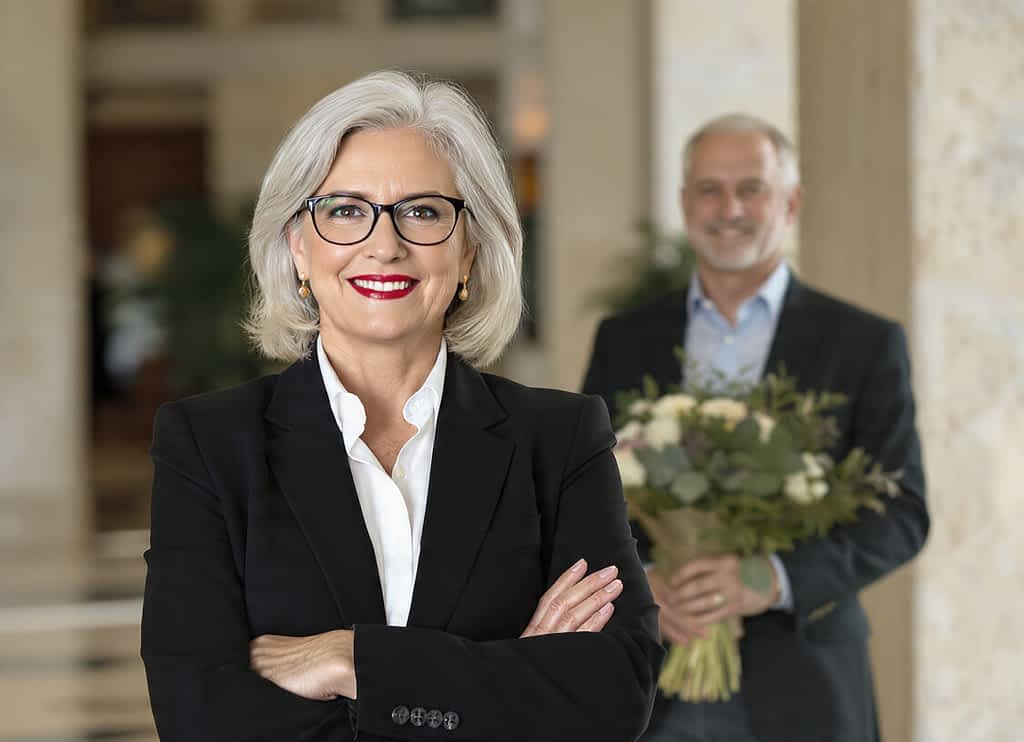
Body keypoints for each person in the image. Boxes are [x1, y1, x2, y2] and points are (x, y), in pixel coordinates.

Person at [141, 70, 663, 742]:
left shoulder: (560, 439)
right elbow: (198, 715)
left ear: (470, 249)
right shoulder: (209, 445)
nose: (384, 245)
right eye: (345, 211)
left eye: (422, 211)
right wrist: (508, 676)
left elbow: (613, 694)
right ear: (298, 246)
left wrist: (353, 661)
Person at [582, 113, 929, 742]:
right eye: (709, 190)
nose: (729, 209)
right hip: (653, 683)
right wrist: (642, 583)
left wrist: (772, 578)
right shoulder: (624, 339)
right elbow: (583, 494)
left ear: (790, 203)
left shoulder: (864, 344)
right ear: (684, 204)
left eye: (751, 189)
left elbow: (902, 512)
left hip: (808, 682)